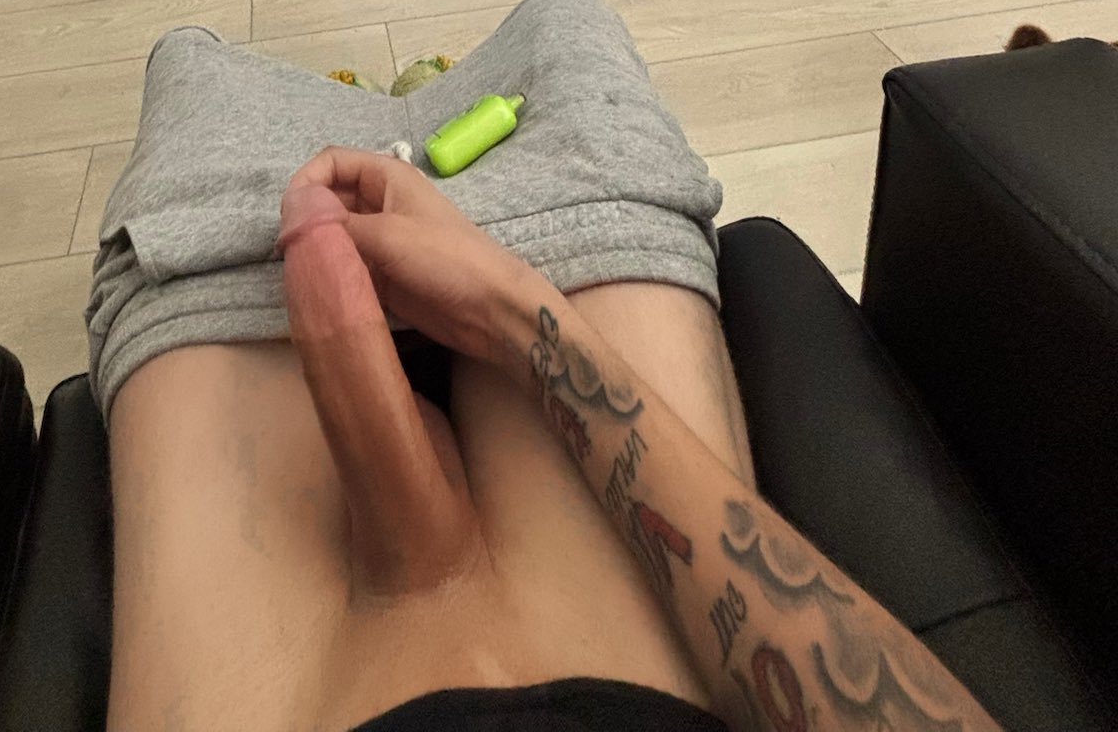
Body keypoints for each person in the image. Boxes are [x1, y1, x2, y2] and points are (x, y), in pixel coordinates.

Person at [105, 143, 1007, 732]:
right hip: (636, 689)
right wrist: (512, 307)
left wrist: (519, 310)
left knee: (206, 128)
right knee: (569, 35)